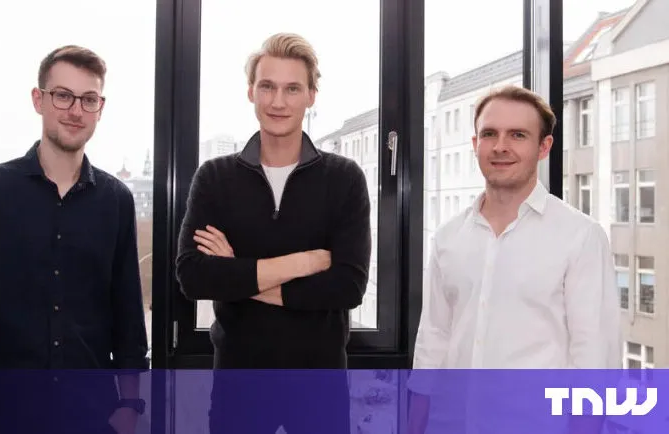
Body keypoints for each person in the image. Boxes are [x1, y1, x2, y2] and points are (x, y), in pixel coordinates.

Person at [0, 45, 149, 434]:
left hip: (92, 415)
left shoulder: (117, 200)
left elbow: (128, 315)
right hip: (2, 413)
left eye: (89, 100)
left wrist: (130, 407)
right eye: (63, 96)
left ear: (100, 108)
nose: (75, 111)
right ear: (39, 100)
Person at [175, 33, 370, 433]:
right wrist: (302, 263)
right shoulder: (215, 178)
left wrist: (238, 276)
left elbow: (347, 286)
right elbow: (193, 276)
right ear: (251, 92)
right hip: (238, 385)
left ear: (311, 95)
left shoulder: (344, 178)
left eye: (292, 89)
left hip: (320, 387)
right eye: (267, 87)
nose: (278, 102)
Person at [407, 85, 620, 433]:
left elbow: (593, 359)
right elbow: (432, 340)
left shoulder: (580, 236)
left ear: (543, 147)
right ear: (476, 144)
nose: (500, 146)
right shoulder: (448, 238)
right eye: (489, 134)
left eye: (517, 135)